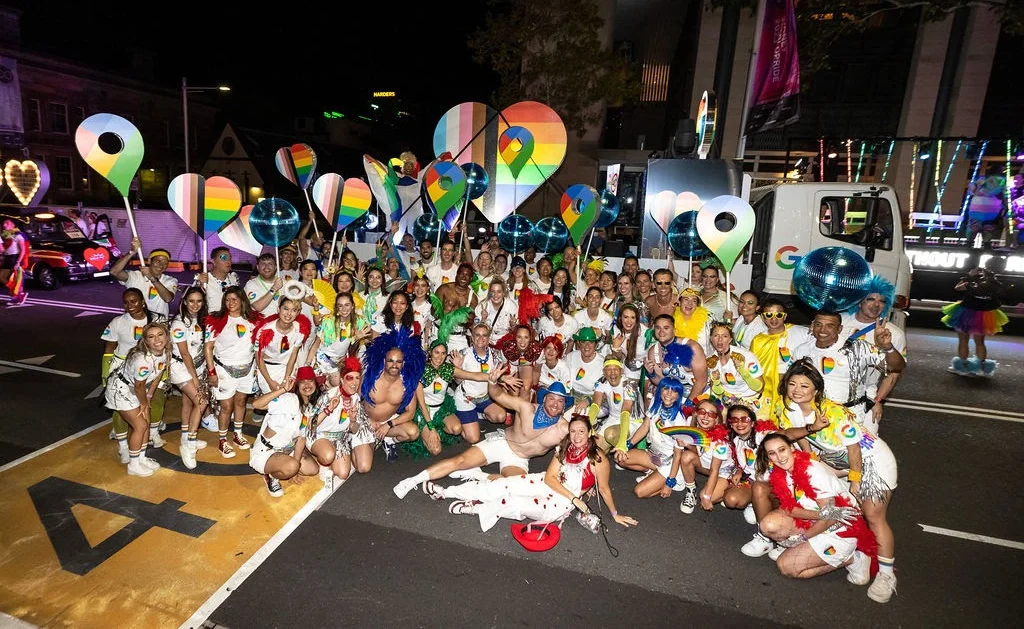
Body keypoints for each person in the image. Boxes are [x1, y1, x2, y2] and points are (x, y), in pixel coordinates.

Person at [772, 359, 899, 602]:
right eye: (792, 384)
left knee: (873, 515)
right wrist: (813, 452)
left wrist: (854, 480)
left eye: (804, 386)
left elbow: (854, 449)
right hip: (837, 461)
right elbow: (789, 436)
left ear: (816, 390)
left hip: (872, 461)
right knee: (819, 499)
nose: (797, 390)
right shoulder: (787, 408)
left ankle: (886, 574)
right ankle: (838, 549)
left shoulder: (833, 412)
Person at [425, 415, 638, 531]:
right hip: (549, 486)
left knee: (515, 502)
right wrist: (576, 498)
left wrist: (615, 515)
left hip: (560, 504)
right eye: (573, 431)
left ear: (590, 433)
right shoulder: (565, 448)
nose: (576, 436)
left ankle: (475, 509)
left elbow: (604, 488)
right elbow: (549, 477)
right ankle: (447, 492)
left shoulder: (597, 457)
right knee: (502, 485)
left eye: (581, 431)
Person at [393, 380, 573, 498]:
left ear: (564, 405)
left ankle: (478, 475)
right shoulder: (527, 408)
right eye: (551, 399)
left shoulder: (564, 429)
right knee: (460, 460)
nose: (554, 404)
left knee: (517, 492)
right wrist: (493, 382)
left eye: (560, 401)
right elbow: (498, 395)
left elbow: (585, 444)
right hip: (502, 443)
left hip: (520, 459)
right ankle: (412, 481)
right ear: (544, 399)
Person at [754, 433, 877, 585]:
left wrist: (802, 539)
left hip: (839, 529)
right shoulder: (781, 473)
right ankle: (807, 547)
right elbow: (790, 508)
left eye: (782, 450)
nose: (779, 457)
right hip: (816, 520)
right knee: (768, 526)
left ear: (792, 448)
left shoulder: (813, 472)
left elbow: (831, 518)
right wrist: (818, 514)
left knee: (787, 567)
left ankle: (853, 558)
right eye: (772, 453)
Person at [791, 311, 905, 435]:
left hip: (850, 418)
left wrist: (888, 347)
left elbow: (896, 366)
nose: (822, 330)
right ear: (812, 326)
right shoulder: (802, 350)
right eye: (818, 324)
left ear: (839, 329)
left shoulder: (858, 348)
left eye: (830, 326)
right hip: (814, 417)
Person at [102, 288, 168, 463]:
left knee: (156, 401)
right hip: (125, 371)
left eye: (134, 301)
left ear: (143, 302)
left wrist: (161, 374)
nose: (130, 305)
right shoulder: (118, 322)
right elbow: (109, 348)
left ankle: (151, 438)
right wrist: (105, 372)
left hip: (151, 366)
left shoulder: (157, 320)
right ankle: (124, 447)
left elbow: (164, 348)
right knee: (123, 412)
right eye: (126, 302)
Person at [104, 322, 171, 477]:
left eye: (160, 335)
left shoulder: (165, 352)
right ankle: (133, 465)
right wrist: (143, 403)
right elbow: (138, 385)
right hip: (121, 390)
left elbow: (158, 376)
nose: (157, 340)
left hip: (138, 390)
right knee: (140, 425)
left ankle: (142, 458)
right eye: (151, 337)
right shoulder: (143, 361)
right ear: (146, 341)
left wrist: (149, 396)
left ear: (166, 336)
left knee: (146, 423)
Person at [839, 276, 907, 424]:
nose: (877, 304)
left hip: (866, 396)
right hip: (832, 390)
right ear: (859, 301)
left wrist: (878, 401)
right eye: (870, 299)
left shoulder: (894, 334)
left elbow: (894, 372)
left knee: (865, 444)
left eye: (882, 301)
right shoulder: (839, 322)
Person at [204, 287, 263, 458]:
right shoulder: (216, 320)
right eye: (227, 300)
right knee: (226, 406)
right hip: (224, 370)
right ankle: (222, 440)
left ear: (242, 300)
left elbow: (258, 347)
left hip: (247, 368)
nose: (230, 303)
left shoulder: (254, 321)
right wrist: (211, 372)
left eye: (234, 299)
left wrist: (258, 368)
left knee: (241, 401)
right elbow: (208, 347)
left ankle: (237, 434)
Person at [249, 368, 327, 497]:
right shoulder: (287, 399)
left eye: (310, 381)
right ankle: (271, 476)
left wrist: (296, 470)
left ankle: (288, 464)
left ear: (315, 384)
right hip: (267, 451)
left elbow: (301, 439)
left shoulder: (310, 409)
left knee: (312, 469)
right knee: (290, 467)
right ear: (297, 385)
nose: (307, 385)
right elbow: (257, 404)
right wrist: (283, 389)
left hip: (287, 449)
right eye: (303, 382)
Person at [611, 376, 691, 499]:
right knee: (620, 458)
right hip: (653, 455)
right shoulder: (655, 402)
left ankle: (671, 480)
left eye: (674, 391)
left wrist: (669, 483)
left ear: (678, 396)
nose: (669, 394)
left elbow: (678, 455)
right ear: (660, 391)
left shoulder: (679, 420)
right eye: (666, 389)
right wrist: (625, 446)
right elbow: (645, 427)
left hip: (669, 463)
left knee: (639, 492)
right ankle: (652, 472)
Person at [357, 329, 426, 466]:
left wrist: (388, 425)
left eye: (398, 361)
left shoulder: (407, 383)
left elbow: (410, 413)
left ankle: (388, 441)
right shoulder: (372, 376)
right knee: (364, 467)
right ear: (384, 361)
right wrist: (363, 421)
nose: (394, 365)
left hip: (387, 422)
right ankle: (367, 441)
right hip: (365, 421)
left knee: (413, 432)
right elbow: (355, 400)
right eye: (390, 361)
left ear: (403, 363)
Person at [451, 323, 520, 443]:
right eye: (477, 335)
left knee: (500, 417)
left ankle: (478, 414)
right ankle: (460, 417)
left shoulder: (495, 354)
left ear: (489, 338)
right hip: (466, 398)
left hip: (485, 397)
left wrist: (502, 380)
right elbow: (458, 381)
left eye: (484, 335)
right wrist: (457, 368)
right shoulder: (463, 354)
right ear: (472, 337)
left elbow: (496, 377)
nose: (481, 339)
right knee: (473, 439)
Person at [667, 399, 733, 514]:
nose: (705, 417)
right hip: (705, 463)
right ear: (696, 413)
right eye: (702, 412)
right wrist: (687, 445)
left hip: (722, 472)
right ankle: (690, 491)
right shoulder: (690, 423)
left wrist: (707, 496)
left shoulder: (720, 441)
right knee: (686, 456)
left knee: (705, 496)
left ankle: (728, 490)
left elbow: (714, 470)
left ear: (716, 419)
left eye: (711, 414)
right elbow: (699, 451)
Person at [170, 287, 210, 469]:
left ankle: (185, 435)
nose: (195, 305)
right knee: (201, 401)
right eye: (191, 301)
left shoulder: (199, 319)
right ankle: (188, 445)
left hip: (197, 365)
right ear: (184, 301)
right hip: (182, 368)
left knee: (189, 402)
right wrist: (195, 378)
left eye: (199, 301)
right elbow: (185, 354)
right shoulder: (179, 324)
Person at [942, 265, 1008, 377]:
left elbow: (957, 288)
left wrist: (969, 276)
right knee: (980, 342)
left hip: (966, 312)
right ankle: (983, 369)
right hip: (985, 315)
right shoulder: (995, 284)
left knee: (963, 340)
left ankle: (962, 368)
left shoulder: (972, 282)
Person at [306, 357, 365, 482]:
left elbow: (354, 431)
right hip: (319, 435)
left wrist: (353, 420)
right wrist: (328, 409)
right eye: (350, 378)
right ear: (342, 380)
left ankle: (327, 456)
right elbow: (310, 425)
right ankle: (323, 461)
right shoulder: (330, 395)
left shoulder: (356, 399)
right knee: (327, 456)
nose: (354, 383)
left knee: (343, 474)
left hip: (339, 439)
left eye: (357, 378)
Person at [749, 298, 811, 412]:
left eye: (778, 314)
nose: (774, 319)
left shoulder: (800, 332)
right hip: (767, 389)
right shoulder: (758, 340)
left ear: (785, 316)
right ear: (762, 317)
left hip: (792, 388)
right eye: (768, 315)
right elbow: (752, 367)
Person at [253, 298, 312, 412]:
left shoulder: (300, 329)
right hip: (267, 369)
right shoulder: (264, 330)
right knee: (273, 405)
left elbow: (293, 355)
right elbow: (258, 357)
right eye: (285, 309)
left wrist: (286, 378)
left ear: (298, 313)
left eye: (294, 310)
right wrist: (270, 382)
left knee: (287, 402)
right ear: (278, 309)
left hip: (287, 368)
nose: (289, 314)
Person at [706, 322, 765, 417]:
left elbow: (760, 387)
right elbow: (718, 391)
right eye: (716, 335)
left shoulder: (745, 356)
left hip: (750, 401)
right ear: (711, 339)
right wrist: (716, 381)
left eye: (724, 336)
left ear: (730, 339)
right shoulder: (711, 360)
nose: (720, 339)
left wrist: (742, 370)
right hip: (728, 401)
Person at [109, 238, 178, 317]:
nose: (161, 265)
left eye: (165, 263)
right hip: (135, 323)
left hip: (158, 325)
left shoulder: (170, 280)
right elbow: (114, 272)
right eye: (158, 261)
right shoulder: (135, 276)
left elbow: (168, 298)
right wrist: (132, 252)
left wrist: (151, 278)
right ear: (149, 261)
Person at [307, 292, 371, 376]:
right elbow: (315, 345)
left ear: (352, 306)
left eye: (347, 305)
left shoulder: (359, 323)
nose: (344, 309)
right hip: (320, 359)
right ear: (337, 308)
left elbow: (353, 351)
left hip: (340, 362)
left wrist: (357, 339)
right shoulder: (327, 321)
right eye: (340, 306)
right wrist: (307, 364)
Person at [591, 357, 640, 454]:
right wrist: (589, 423)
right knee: (594, 450)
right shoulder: (601, 381)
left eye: (615, 369)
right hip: (613, 418)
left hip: (632, 421)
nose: (612, 373)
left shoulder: (630, 384)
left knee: (610, 434)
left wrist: (621, 442)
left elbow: (626, 410)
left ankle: (627, 450)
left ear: (621, 371)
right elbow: (596, 404)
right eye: (609, 370)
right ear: (604, 372)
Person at [609, 303, 648, 381]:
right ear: (620, 318)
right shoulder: (616, 330)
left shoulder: (646, 333)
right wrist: (616, 347)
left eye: (632, 317)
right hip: (629, 368)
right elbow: (617, 358)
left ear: (637, 319)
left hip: (647, 370)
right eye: (626, 317)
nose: (629, 321)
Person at [194, 247, 240, 312]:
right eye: (224, 258)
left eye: (230, 258)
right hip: (210, 319)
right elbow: (192, 303)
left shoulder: (234, 278)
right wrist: (200, 285)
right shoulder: (203, 279)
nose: (228, 261)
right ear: (213, 261)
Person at [1, 218, 30, 305]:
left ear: (13, 225)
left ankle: (17, 297)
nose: (4, 225)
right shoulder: (5, 236)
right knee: (2, 277)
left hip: (15, 259)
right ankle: (19, 294)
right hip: (7, 259)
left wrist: (18, 262)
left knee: (17, 279)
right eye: (3, 223)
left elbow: (23, 250)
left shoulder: (18, 236)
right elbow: (3, 250)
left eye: (7, 223)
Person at [673, 288, 712, 353]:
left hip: (705, 359)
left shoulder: (708, 320)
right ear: (679, 302)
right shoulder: (671, 320)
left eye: (694, 301)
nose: (690, 303)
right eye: (686, 299)